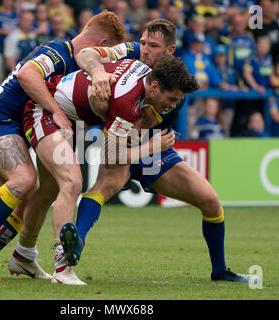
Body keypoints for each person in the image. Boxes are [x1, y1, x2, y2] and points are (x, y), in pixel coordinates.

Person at [71, 18, 254, 283]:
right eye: (143, 42)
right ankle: (75, 242)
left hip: (151, 147)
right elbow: (86, 54)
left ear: (169, 51)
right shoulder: (131, 53)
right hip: (120, 141)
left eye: (153, 46)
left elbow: (145, 126)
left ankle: (220, 271)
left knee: (211, 201)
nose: (144, 49)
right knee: (104, 185)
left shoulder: (174, 85)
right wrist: (97, 74)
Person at [0, 11, 125, 282]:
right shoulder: (58, 51)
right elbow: (27, 74)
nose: (105, 60)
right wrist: (55, 111)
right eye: (107, 52)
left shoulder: (71, 63)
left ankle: (7, 259)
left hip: (19, 129)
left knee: (35, 196)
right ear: (102, 43)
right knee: (24, 180)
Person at [17, 55, 192, 285]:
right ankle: (63, 269)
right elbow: (111, 158)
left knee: (49, 190)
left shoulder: (143, 75)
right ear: (155, 86)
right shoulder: (126, 101)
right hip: (45, 111)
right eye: (171, 98)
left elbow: (92, 53)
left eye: (177, 101)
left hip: (69, 120)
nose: (172, 105)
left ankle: (23, 256)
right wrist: (152, 147)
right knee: (72, 182)